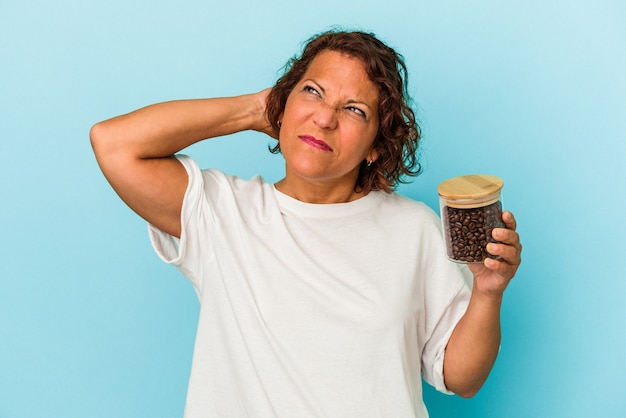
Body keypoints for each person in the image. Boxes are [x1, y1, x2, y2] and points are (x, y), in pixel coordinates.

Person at [90, 29, 522, 418]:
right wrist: (256, 110)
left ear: (376, 146)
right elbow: (113, 143)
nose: (325, 118)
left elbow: (462, 378)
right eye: (312, 91)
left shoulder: (415, 229)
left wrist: (487, 293)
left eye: (354, 110)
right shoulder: (223, 213)